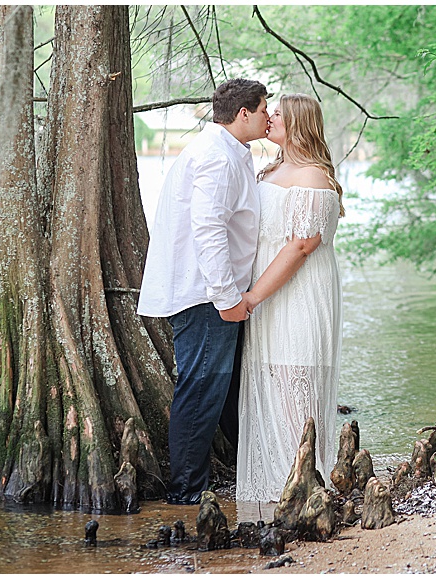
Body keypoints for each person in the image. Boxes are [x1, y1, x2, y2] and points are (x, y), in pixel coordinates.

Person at [137, 78, 271, 505]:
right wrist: (227, 296)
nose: (269, 115)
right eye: (264, 108)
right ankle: (187, 491)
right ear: (244, 113)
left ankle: (253, 470)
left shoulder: (230, 151)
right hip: (206, 294)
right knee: (201, 387)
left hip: (214, 290)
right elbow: (208, 229)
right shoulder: (215, 156)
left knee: (225, 386)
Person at [235, 94, 345, 503]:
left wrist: (251, 297)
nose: (269, 117)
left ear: (298, 124)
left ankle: (305, 482)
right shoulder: (270, 170)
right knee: (270, 380)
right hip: (267, 293)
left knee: (296, 381)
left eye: (277, 113)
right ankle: (276, 482)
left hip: (298, 294)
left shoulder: (314, 177)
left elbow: (301, 247)